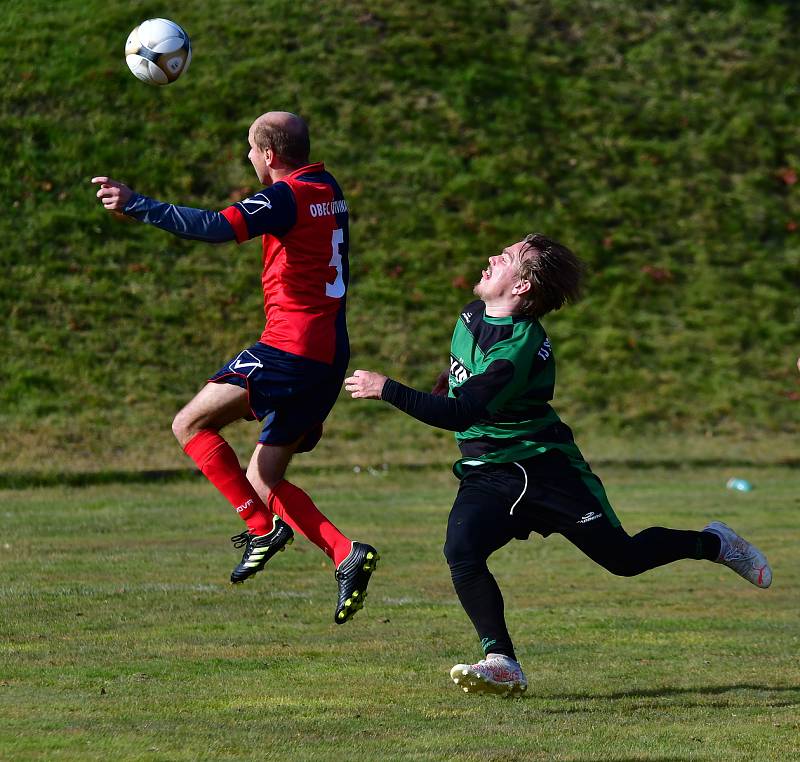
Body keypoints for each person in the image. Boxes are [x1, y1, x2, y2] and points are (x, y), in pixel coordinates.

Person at [345, 233, 772, 695]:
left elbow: (463, 411)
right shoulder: (469, 317)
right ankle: (502, 660)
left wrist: (387, 388)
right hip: (490, 471)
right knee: (462, 550)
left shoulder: (520, 347)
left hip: (547, 470)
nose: (492, 256)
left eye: (505, 258)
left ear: (523, 286)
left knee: (623, 560)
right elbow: (456, 384)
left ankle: (715, 543)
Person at [92, 111, 378, 624]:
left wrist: (136, 204)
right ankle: (344, 552)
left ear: (269, 155)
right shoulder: (326, 184)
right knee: (263, 474)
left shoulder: (288, 195)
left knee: (189, 424)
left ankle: (262, 529)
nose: (248, 156)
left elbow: (216, 227)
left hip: (290, 348)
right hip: (329, 352)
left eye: (250, 147)